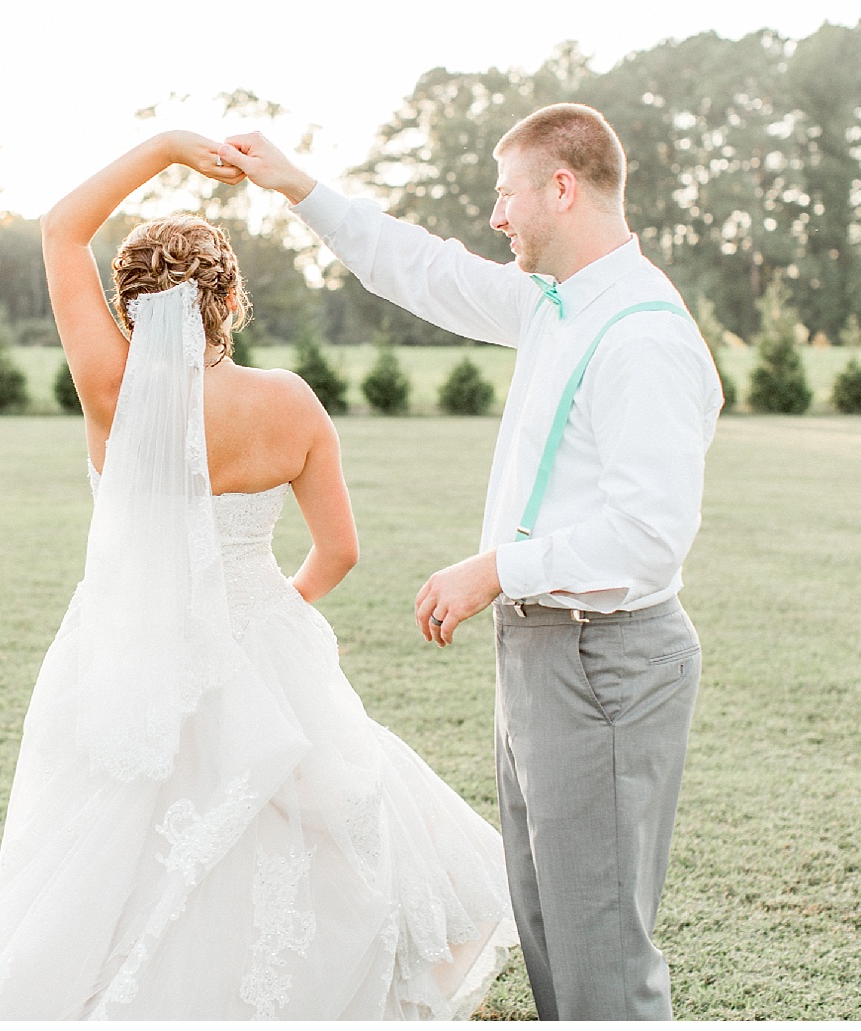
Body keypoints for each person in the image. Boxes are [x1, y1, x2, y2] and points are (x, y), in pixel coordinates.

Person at [0, 130, 515, 1020]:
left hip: (129, 646)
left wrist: (171, 148)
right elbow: (340, 552)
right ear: (229, 298)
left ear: (128, 303)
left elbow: (61, 228)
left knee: (111, 851)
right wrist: (267, 609)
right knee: (297, 840)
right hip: (264, 639)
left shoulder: (107, 387)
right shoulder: (290, 404)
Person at [219, 105, 721, 1021]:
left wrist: (495, 570)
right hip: (543, 653)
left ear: (561, 188)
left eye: (507, 195)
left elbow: (649, 537)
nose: (497, 219)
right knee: (551, 929)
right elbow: (422, 269)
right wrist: (297, 185)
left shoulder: (642, 335)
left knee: (601, 951)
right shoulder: (556, 302)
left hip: (602, 659)